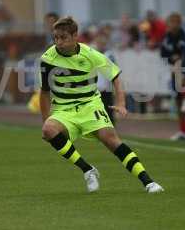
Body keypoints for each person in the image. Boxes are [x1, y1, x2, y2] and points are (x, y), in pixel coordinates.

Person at [39, 17, 163, 194]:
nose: (58, 42)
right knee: (48, 130)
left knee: (111, 140)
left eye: (63, 37)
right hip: (64, 110)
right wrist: (45, 119)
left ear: (75, 36)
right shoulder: (47, 59)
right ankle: (88, 170)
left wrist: (120, 103)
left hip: (90, 105)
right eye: (55, 38)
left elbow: (116, 76)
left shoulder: (91, 54)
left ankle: (148, 182)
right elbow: (44, 91)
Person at [161, 12, 185, 141]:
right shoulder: (167, 38)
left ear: (179, 24)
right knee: (178, 101)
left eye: (175, 22)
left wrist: (183, 73)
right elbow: (163, 54)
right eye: (170, 22)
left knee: (179, 76)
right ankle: (183, 131)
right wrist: (171, 58)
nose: (172, 25)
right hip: (177, 68)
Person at [91, 30, 116, 124]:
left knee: (108, 106)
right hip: (96, 86)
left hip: (106, 86)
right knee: (96, 107)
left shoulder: (109, 55)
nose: (100, 44)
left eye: (102, 43)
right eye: (98, 42)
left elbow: (114, 71)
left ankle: (111, 124)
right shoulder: (93, 54)